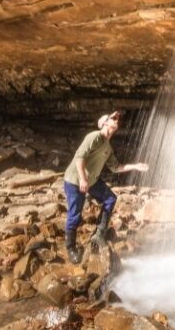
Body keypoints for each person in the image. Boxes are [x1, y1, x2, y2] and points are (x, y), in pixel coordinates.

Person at [63, 111, 148, 263]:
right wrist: (82, 179)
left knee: (110, 198)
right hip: (75, 180)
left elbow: (116, 167)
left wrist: (135, 166)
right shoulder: (95, 136)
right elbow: (79, 157)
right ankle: (71, 248)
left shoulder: (107, 146)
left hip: (91, 180)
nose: (117, 120)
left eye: (117, 119)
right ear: (104, 123)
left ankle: (99, 233)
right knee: (75, 213)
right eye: (113, 118)